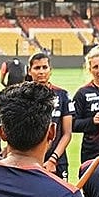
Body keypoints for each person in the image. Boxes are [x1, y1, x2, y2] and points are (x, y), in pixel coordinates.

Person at [28, 52, 74, 180]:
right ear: (29, 71)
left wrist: (53, 159)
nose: (41, 72)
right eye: (37, 68)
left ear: (50, 70)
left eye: (44, 67)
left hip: (58, 161)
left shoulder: (62, 95)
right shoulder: (24, 96)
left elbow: (67, 133)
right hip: (31, 161)